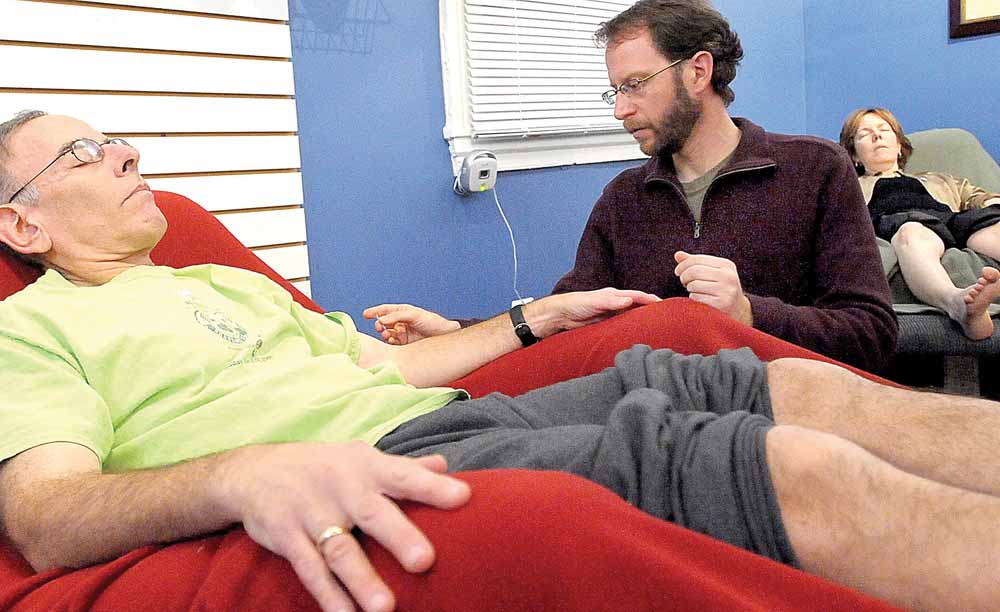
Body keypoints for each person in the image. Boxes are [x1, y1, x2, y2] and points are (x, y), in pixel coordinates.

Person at [2, 114, 1000, 612]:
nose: (127, 156)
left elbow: (391, 369)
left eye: (116, 140)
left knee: (788, 384)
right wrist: (235, 474)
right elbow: (46, 518)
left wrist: (535, 317)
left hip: (443, 416)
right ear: (23, 225)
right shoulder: (30, 332)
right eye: (83, 155)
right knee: (783, 467)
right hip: (383, 467)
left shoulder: (221, 283)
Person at [365, 0, 897, 374]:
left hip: (788, 422)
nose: (620, 109)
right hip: (654, 429)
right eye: (614, 91)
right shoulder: (624, 199)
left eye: (635, 85)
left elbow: (871, 334)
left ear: (698, 72)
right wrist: (456, 333)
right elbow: (564, 315)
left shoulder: (815, 169)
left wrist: (750, 313)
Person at [839, 106, 1000, 340]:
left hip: (951, 218)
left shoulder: (940, 180)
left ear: (898, 145)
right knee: (911, 233)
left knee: (993, 227)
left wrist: (992, 202)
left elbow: (978, 197)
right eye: (864, 134)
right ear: (854, 155)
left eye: (884, 130)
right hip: (900, 219)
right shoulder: (849, 187)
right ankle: (957, 305)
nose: (877, 136)